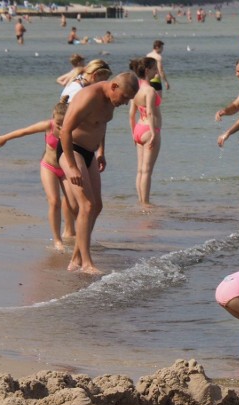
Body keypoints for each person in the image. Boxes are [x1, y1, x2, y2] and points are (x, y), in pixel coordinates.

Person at [58, 72, 139, 274]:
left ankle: (76, 258)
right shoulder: (88, 96)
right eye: (124, 98)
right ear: (114, 87)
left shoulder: (110, 99)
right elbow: (65, 131)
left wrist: (101, 151)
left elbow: (101, 124)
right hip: (72, 150)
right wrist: (72, 166)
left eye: (129, 99)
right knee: (86, 205)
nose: (125, 103)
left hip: (90, 152)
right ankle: (86, 263)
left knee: (97, 206)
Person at [0, 96, 76, 251]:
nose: (60, 127)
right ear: (53, 117)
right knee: (54, 201)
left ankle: (75, 234)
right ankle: (57, 240)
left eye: (63, 124)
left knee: (74, 203)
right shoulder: (48, 125)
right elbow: (24, 131)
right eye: (58, 123)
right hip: (49, 167)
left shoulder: (74, 128)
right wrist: (5, 138)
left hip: (66, 169)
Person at [128, 57, 163, 207]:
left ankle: (140, 201)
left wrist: (132, 132)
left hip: (138, 129)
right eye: (155, 68)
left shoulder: (135, 89)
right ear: (148, 70)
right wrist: (154, 133)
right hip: (149, 130)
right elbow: (149, 112)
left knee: (140, 170)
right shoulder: (149, 90)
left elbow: (131, 114)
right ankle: (146, 203)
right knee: (147, 171)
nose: (157, 71)